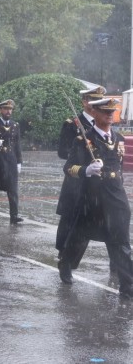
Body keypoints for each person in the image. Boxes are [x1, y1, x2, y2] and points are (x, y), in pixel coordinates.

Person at [56, 98, 133, 297]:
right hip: (93, 199)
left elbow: (119, 169)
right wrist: (86, 170)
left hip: (116, 200)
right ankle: (65, 264)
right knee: (79, 237)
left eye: (112, 111)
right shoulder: (84, 139)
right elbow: (68, 168)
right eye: (105, 111)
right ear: (95, 113)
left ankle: (127, 285)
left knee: (122, 242)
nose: (110, 114)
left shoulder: (119, 138)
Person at [0, 99, 23, 224]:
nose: (8, 111)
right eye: (6, 109)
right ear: (0, 110)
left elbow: (17, 145)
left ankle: (14, 216)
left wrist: (19, 162)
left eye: (10, 109)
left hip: (11, 161)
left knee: (13, 189)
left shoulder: (15, 125)